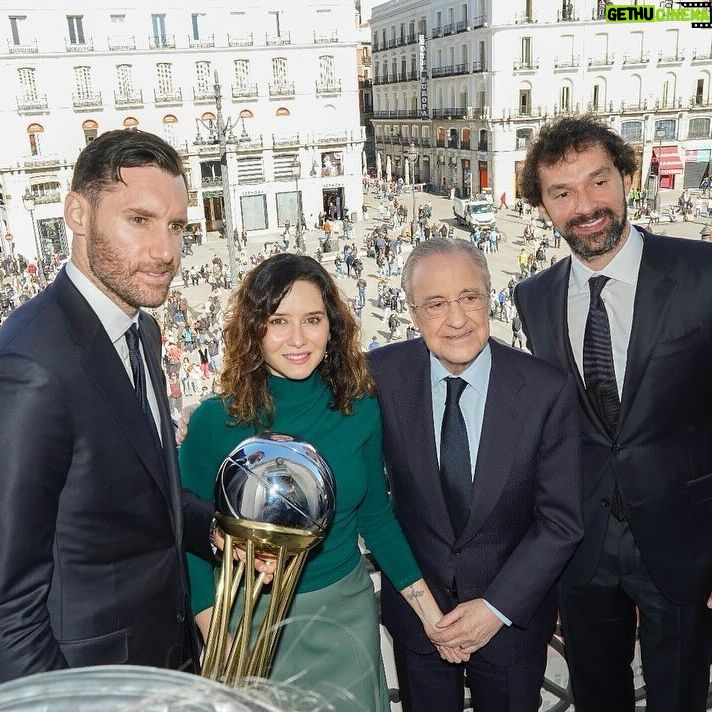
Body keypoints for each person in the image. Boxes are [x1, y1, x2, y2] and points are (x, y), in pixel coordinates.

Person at [178, 253, 459, 711]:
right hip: (251, 623)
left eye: (312, 319)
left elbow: (377, 517)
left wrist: (431, 616)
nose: (297, 339)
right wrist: (221, 642)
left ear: (332, 327)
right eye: (278, 321)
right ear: (254, 330)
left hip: (344, 613)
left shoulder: (359, 406)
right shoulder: (215, 421)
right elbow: (190, 545)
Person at [0, 129, 215, 682]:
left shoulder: (138, 328)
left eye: (175, 227)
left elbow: (143, 490)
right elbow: (7, 607)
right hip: (93, 681)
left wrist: (215, 530)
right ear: (77, 212)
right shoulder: (30, 365)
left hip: (163, 665)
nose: (165, 251)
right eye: (139, 220)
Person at [513, 115, 712, 712]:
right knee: (597, 697)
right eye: (562, 192)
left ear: (627, 177)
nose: (586, 206)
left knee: (679, 697)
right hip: (584, 548)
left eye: (598, 181)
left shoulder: (703, 273)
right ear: (542, 206)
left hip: (686, 546)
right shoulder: (534, 296)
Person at [368, 237, 583, 712]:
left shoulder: (545, 390)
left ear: (490, 297)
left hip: (511, 624)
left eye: (469, 297)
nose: (457, 319)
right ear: (412, 311)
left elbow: (561, 522)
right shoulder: (379, 375)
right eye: (437, 304)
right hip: (420, 622)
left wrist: (495, 609)